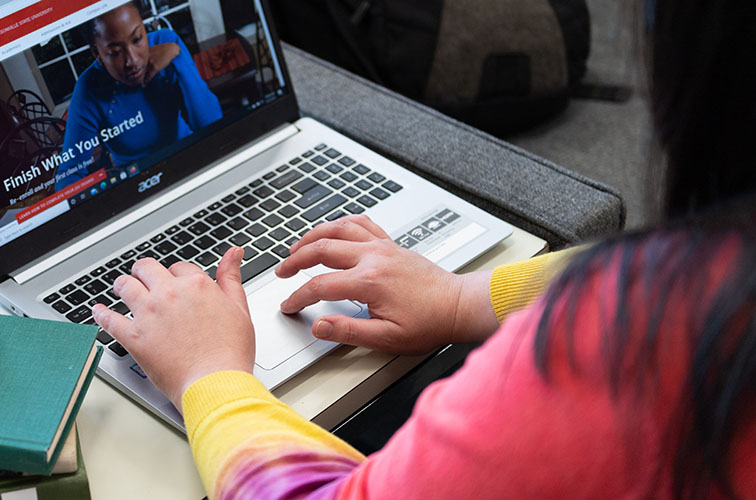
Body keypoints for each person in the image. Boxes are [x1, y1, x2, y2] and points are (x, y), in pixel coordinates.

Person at [89, 0, 756, 498]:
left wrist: (210, 374)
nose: (132, 53)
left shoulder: (618, 355)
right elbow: (74, 177)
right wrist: (467, 296)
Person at [53, 2, 222, 190]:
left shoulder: (166, 41)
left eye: (138, 39)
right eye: (115, 52)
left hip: (190, 165)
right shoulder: (88, 88)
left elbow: (211, 124)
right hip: (138, 186)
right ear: (97, 53)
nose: (132, 61)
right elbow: (67, 179)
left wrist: (176, 55)